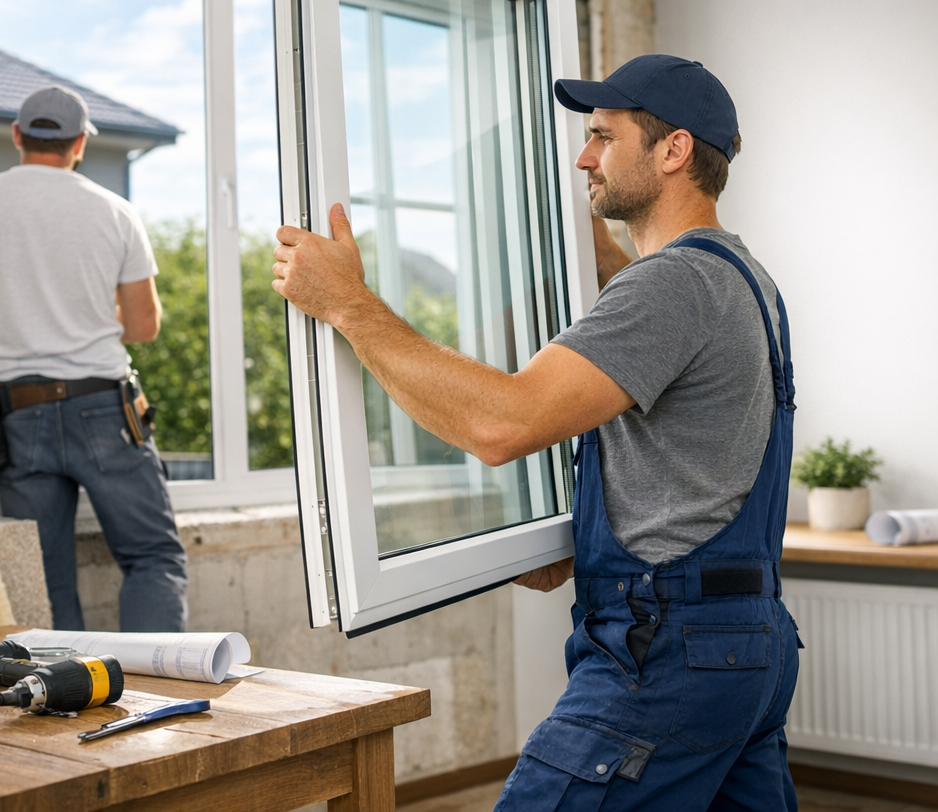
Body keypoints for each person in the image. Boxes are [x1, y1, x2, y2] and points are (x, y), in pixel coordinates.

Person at [271, 54, 799, 810]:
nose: (584, 156)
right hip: (746, 646)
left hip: (666, 658)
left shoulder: (674, 284)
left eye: (603, 137)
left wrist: (349, 305)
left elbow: (500, 424)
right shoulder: (743, 278)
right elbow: (669, 445)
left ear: (673, 151)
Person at [0, 85, 188, 633]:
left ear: (17, 135)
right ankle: (159, 700)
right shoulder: (116, 212)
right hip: (102, 409)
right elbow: (142, 326)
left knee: (45, 578)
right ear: (80, 144)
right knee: (152, 557)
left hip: (18, 413)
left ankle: (64, 707)